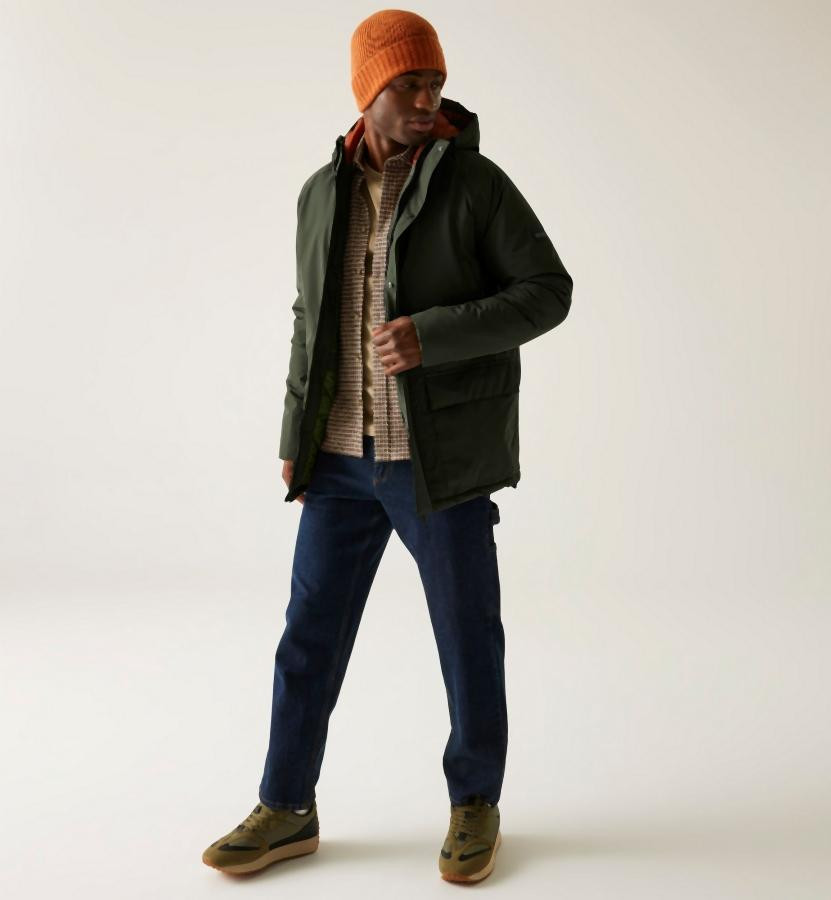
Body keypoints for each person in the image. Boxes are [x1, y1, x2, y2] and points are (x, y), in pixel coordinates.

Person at [202, 8, 572, 884]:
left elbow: (547, 291)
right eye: (409, 83)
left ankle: (474, 802)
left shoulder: (474, 185)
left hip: (436, 459)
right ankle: (286, 807)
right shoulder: (319, 192)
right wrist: (297, 433)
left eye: (435, 82)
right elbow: (310, 319)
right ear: (368, 89)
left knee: (466, 637)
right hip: (337, 460)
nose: (427, 98)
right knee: (307, 637)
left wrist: (431, 335)